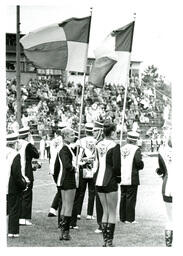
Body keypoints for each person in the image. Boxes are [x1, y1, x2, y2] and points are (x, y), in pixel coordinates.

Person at [94, 120, 121, 247]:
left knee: (105, 211)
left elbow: (97, 162)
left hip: (99, 179)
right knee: (112, 211)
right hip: (110, 180)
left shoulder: (98, 144)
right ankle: (109, 241)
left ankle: (105, 241)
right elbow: (116, 166)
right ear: (112, 132)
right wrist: (119, 177)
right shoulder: (115, 145)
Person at [53, 127, 78, 241]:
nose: (74, 136)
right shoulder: (64, 149)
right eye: (72, 135)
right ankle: (65, 232)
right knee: (68, 206)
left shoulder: (66, 148)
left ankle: (63, 231)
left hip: (63, 180)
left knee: (65, 206)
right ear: (66, 137)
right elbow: (67, 166)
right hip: (68, 179)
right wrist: (75, 169)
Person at [119, 131, 144, 224]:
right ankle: (130, 218)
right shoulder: (136, 149)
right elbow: (138, 162)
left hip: (123, 174)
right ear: (135, 140)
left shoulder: (122, 148)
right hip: (132, 175)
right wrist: (142, 164)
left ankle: (122, 217)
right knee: (131, 197)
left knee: (123, 196)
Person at [6, 133, 28, 238]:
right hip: (11, 185)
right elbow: (16, 173)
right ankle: (13, 231)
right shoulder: (15, 154)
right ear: (15, 143)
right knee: (14, 208)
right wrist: (23, 184)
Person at [18, 127, 39, 226]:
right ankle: (24, 217)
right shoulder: (27, 144)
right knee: (27, 194)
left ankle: (17, 216)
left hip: (16, 170)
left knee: (18, 194)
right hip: (26, 170)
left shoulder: (16, 143)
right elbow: (36, 154)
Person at [76, 123, 97, 220]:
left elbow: (77, 155)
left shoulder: (80, 141)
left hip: (83, 166)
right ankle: (89, 214)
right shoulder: (96, 141)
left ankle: (78, 213)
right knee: (92, 192)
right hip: (92, 167)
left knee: (81, 191)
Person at [156, 133, 173, 247]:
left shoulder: (162, 151)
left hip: (168, 185)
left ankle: (169, 244)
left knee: (169, 217)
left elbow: (161, 170)